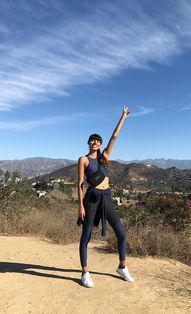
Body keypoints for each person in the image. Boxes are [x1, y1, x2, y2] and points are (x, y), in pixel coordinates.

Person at [77, 106, 134, 288]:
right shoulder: (83, 160)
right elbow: (80, 184)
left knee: (121, 233)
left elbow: (114, 136)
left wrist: (123, 117)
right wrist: (80, 206)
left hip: (107, 198)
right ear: (88, 143)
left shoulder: (105, 158)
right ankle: (85, 272)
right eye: (92, 141)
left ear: (100, 144)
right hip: (91, 199)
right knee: (86, 236)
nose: (95, 143)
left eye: (97, 141)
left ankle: (122, 267)